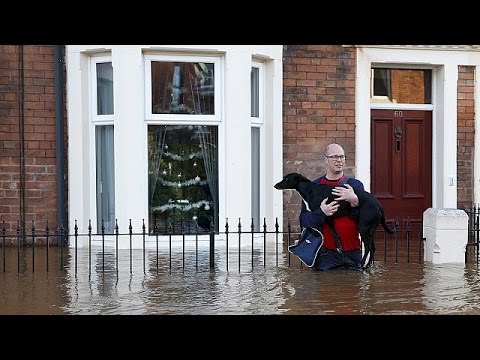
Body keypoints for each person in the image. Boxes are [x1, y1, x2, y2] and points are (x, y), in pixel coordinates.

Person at [299, 143, 365, 271]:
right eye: (334, 157)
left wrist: (355, 200)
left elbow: (365, 218)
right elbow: (304, 221)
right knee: (327, 289)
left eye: (342, 157)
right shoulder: (313, 187)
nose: (339, 160)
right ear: (326, 160)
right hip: (326, 254)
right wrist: (321, 212)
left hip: (354, 252)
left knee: (355, 289)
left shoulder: (355, 186)